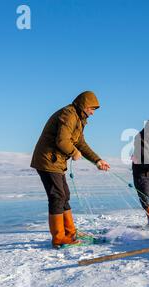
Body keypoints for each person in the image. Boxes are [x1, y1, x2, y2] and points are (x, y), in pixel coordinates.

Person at [30, 91, 110, 247]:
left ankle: (70, 232)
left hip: (56, 162)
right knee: (57, 196)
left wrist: (97, 160)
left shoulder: (79, 120)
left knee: (64, 194)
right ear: (84, 105)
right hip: (48, 160)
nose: (93, 113)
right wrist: (73, 152)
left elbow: (81, 144)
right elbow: (62, 140)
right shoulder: (69, 114)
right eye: (92, 109)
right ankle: (59, 237)